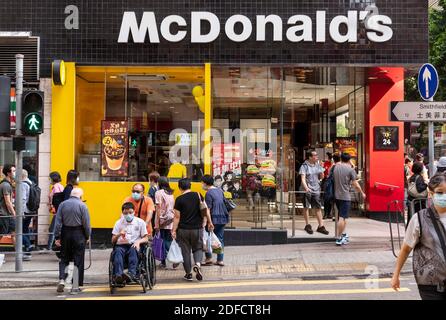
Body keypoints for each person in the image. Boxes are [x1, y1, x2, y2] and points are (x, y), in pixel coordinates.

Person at [391, 173, 446, 300]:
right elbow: (405, 249)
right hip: (430, 284)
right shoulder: (419, 219)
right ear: (430, 193)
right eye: (439, 192)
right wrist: (396, 274)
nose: (443, 196)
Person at [172, 178, 214, 281]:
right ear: (190, 186)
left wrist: (173, 230)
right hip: (197, 228)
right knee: (198, 248)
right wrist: (209, 222)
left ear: (180, 187)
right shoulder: (198, 195)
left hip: (183, 230)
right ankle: (198, 264)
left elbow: (176, 217)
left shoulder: (179, 199)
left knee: (185, 251)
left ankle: (188, 274)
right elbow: (205, 210)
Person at [54, 188, 91, 294]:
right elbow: (86, 224)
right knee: (78, 260)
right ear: (81, 196)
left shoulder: (62, 204)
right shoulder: (83, 206)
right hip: (79, 233)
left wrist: (57, 237)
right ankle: (75, 286)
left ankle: (62, 279)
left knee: (64, 258)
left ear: (71, 195)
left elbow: (57, 223)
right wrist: (87, 236)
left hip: (65, 232)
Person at [333, 153, 366, 246]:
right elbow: (355, 184)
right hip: (345, 196)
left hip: (337, 196)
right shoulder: (350, 170)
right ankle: (339, 238)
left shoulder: (336, 167)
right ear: (349, 160)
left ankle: (343, 234)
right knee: (342, 217)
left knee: (343, 216)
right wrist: (362, 193)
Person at [111, 202, 149, 284]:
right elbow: (113, 240)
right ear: (122, 213)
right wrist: (119, 234)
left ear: (134, 212)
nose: (128, 215)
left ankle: (131, 274)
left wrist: (138, 242)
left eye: (130, 212)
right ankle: (119, 276)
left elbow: (146, 238)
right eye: (125, 213)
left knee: (133, 249)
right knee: (117, 251)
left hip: (134, 245)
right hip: (122, 245)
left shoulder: (140, 222)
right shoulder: (118, 223)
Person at [299, 150, 329, 235]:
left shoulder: (317, 165)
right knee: (306, 206)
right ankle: (307, 225)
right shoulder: (304, 166)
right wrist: (306, 188)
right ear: (310, 157)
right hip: (307, 189)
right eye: (315, 155)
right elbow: (303, 178)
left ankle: (321, 226)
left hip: (316, 188)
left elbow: (322, 177)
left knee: (318, 207)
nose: (317, 157)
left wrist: (322, 169)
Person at [201, 175, 229, 267]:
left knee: (208, 238)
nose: (201, 185)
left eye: (202, 183)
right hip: (223, 218)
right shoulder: (219, 190)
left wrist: (208, 222)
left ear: (205, 183)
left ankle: (208, 258)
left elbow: (207, 209)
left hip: (214, 218)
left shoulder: (209, 193)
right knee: (220, 239)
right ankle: (220, 260)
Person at [154, 176, 176, 269]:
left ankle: (174, 258)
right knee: (168, 240)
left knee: (163, 241)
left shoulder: (158, 193)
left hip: (163, 220)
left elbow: (158, 209)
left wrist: (157, 223)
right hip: (171, 219)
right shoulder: (170, 193)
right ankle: (165, 261)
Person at [0, 165, 16, 247]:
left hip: (8, 214)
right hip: (4, 214)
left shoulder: (9, 184)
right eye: (13, 171)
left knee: (14, 233)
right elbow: (8, 202)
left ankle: (18, 253)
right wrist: (14, 214)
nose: (15, 173)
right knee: (2, 234)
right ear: (8, 173)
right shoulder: (5, 185)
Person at [47, 172, 64, 250]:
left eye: (50, 178)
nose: (49, 179)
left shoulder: (55, 187)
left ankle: (50, 247)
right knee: (54, 228)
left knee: (52, 229)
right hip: (60, 211)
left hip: (57, 211)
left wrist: (50, 204)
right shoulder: (61, 186)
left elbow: (55, 197)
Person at [20, 169, 34, 260]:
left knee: (18, 231)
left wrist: (20, 212)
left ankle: (28, 246)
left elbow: (23, 199)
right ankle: (27, 252)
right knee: (25, 229)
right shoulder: (30, 182)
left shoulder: (22, 184)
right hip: (31, 210)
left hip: (24, 211)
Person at [323, 153, 340, 220]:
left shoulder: (336, 165)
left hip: (335, 184)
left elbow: (329, 173)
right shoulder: (327, 164)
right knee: (327, 199)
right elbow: (327, 173)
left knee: (333, 200)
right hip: (329, 183)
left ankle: (332, 214)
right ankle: (326, 213)